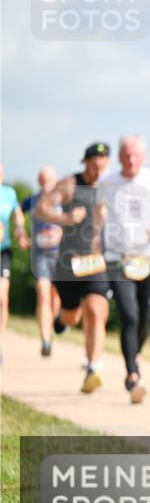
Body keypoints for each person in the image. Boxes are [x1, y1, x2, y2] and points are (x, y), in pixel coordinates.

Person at [90, 135, 150, 404]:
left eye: (136, 156)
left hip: (148, 259)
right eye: (127, 156)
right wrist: (96, 239)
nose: (131, 161)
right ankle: (133, 375)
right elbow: (99, 212)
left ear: (144, 157)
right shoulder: (108, 182)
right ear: (119, 157)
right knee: (129, 314)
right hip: (118, 259)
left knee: (143, 319)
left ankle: (134, 354)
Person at [37, 142, 113, 392]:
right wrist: (65, 218)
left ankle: (93, 366)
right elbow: (41, 209)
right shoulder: (70, 184)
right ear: (85, 163)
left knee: (96, 310)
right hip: (69, 263)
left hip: (96, 261)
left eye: (102, 167)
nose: (98, 172)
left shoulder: (110, 186)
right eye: (94, 167)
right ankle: (62, 319)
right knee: (73, 315)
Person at [21, 166, 65, 357]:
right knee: (43, 295)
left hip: (60, 255)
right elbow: (17, 212)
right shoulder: (32, 200)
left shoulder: (63, 200)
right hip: (39, 255)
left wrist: (63, 232)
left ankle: (53, 323)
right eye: (42, 180)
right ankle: (45, 339)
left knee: (56, 297)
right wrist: (21, 233)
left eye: (48, 180)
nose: (45, 184)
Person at [0, 164, 31, 364]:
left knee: (2, 298)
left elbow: (18, 216)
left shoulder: (9, 193)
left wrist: (20, 232)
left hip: (3, 252)